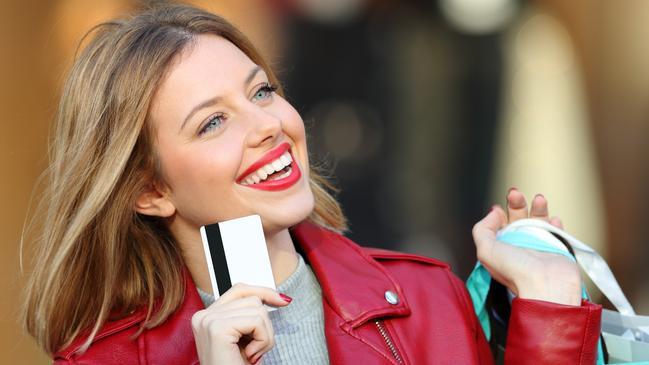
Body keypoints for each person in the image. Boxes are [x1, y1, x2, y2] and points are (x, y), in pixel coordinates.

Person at [22, 4, 601, 365]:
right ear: (150, 190)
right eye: (213, 122)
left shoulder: (430, 302)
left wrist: (547, 317)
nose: (268, 126)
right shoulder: (106, 360)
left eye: (261, 92)